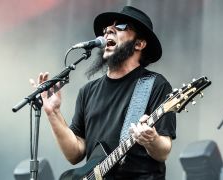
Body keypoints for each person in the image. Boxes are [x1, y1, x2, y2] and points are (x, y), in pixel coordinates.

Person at [30, 6, 176, 180]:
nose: (108, 31)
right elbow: (75, 154)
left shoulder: (155, 84)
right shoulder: (88, 91)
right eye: (106, 29)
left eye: (121, 26)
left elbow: (163, 151)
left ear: (139, 44)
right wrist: (53, 113)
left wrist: (151, 139)